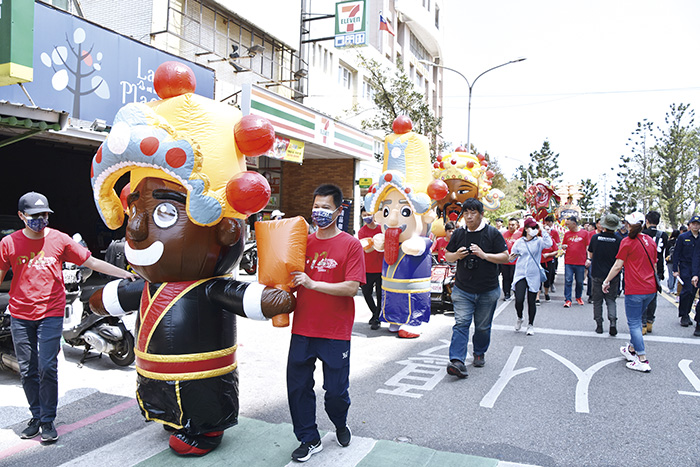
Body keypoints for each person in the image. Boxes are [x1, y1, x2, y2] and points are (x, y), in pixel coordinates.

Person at [0, 192, 137, 443]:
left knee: (47, 366)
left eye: (44, 215)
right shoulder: (9, 243)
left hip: (51, 312)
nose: (41, 220)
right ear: (22, 216)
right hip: (20, 314)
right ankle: (36, 416)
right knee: (28, 370)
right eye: (34, 216)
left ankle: (48, 420)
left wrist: (123, 274)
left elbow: (91, 261)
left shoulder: (59, 239)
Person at [287, 184, 365, 462]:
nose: (319, 212)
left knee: (335, 392)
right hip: (303, 329)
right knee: (297, 387)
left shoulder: (351, 245)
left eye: (325, 207)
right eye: (316, 206)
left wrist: (314, 283)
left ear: (338, 210)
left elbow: (351, 288)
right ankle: (309, 438)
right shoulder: (302, 243)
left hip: (335, 332)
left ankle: (340, 423)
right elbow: (289, 280)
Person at [444, 198, 509, 378]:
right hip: (463, 289)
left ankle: (479, 352)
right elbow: (447, 255)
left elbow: (505, 256)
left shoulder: (492, 233)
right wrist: (456, 255)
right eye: (466, 213)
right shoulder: (458, 234)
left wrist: (484, 255)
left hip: (488, 289)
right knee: (461, 324)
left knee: (482, 326)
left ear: (481, 214)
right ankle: (457, 360)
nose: (469, 217)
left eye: (473, 213)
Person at [602, 212, 657, 372]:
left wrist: (607, 281)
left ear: (629, 224)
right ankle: (632, 349)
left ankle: (642, 359)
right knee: (638, 319)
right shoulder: (650, 241)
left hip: (635, 288)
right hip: (650, 288)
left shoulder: (627, 242)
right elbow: (654, 265)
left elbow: (618, 266)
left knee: (634, 323)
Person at [510, 218, 552, 335]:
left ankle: (530, 325)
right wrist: (512, 257)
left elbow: (549, 244)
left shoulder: (539, 241)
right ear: (526, 229)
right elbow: (512, 254)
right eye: (532, 228)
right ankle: (520, 317)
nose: (534, 230)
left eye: (535, 228)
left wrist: (542, 229)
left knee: (531, 301)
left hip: (533, 275)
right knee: (519, 299)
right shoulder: (519, 242)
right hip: (521, 274)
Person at [588, 214, 622, 335]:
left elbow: (590, 255)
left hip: (597, 273)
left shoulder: (595, 238)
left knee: (597, 301)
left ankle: (599, 325)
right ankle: (613, 322)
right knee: (611, 300)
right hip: (613, 275)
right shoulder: (619, 240)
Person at [640, 211, 668, 334]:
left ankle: (643, 323)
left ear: (646, 221)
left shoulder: (642, 235)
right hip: (658, 269)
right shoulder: (664, 235)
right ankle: (650, 321)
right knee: (653, 296)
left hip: (643, 268)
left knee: (642, 297)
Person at [358, 208, 383, 330]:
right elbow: (366, 249)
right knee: (366, 293)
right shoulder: (362, 232)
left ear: (374, 215)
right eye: (364, 215)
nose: (367, 217)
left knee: (380, 294)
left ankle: (377, 318)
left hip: (382, 268)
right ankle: (375, 312)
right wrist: (377, 243)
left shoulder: (381, 229)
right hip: (367, 268)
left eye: (368, 215)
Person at [673, 215, 700, 329]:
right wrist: (675, 269)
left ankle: (687, 312)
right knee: (687, 290)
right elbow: (676, 253)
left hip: (697, 267)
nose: (695, 226)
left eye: (698, 224)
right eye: (693, 224)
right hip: (685, 266)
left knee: (693, 292)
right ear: (689, 225)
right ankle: (683, 314)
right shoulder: (683, 237)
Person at [562, 216, 590, 307]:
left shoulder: (585, 233)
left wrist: (588, 258)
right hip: (569, 261)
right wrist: (564, 247)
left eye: (568, 224)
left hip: (580, 262)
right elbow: (563, 245)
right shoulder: (567, 234)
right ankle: (568, 299)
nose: (567, 226)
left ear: (574, 224)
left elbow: (587, 247)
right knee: (568, 280)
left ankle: (578, 297)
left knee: (579, 281)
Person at [501, 218, 521, 300]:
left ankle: (517, 293)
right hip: (505, 260)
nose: (511, 226)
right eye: (509, 224)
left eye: (513, 225)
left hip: (517, 261)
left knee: (515, 277)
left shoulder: (521, 235)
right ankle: (507, 293)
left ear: (517, 225)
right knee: (506, 278)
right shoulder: (504, 234)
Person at [543, 215, 560, 293]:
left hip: (552, 254)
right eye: (548, 222)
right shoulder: (541, 232)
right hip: (542, 256)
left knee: (552, 271)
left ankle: (551, 283)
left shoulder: (554, 232)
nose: (549, 223)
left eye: (551, 222)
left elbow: (558, 242)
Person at [666, 229, 680, 293]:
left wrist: (667, 259)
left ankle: (670, 288)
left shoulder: (669, 242)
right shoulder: (679, 241)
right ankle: (676, 289)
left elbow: (666, 252)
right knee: (677, 275)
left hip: (670, 260)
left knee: (670, 275)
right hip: (677, 261)